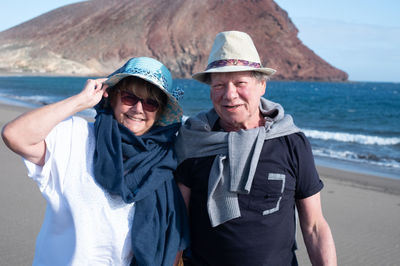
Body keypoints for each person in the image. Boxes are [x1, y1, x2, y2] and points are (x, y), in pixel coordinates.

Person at [2, 57, 189, 265]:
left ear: (159, 111)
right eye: (129, 97)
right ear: (114, 97)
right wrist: (81, 101)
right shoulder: (77, 137)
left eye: (150, 102)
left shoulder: (164, 161)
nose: (138, 108)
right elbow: (15, 135)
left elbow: (173, 239)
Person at [174, 31, 336, 265]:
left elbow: (314, 227)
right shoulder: (193, 141)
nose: (230, 95)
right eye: (219, 85)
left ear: (261, 85)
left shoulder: (291, 142)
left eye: (240, 83)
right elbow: (179, 225)